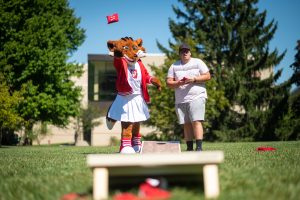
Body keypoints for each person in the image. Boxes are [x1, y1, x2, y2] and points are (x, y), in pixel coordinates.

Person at [166, 43, 211, 151]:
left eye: (187, 51)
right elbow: (168, 83)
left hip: (197, 96)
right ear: (179, 53)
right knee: (186, 124)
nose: (185, 53)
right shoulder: (174, 66)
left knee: (196, 121)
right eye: (182, 51)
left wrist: (194, 79)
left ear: (190, 53)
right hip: (180, 99)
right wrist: (179, 83)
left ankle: (199, 148)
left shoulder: (198, 62)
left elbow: (208, 76)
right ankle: (189, 148)